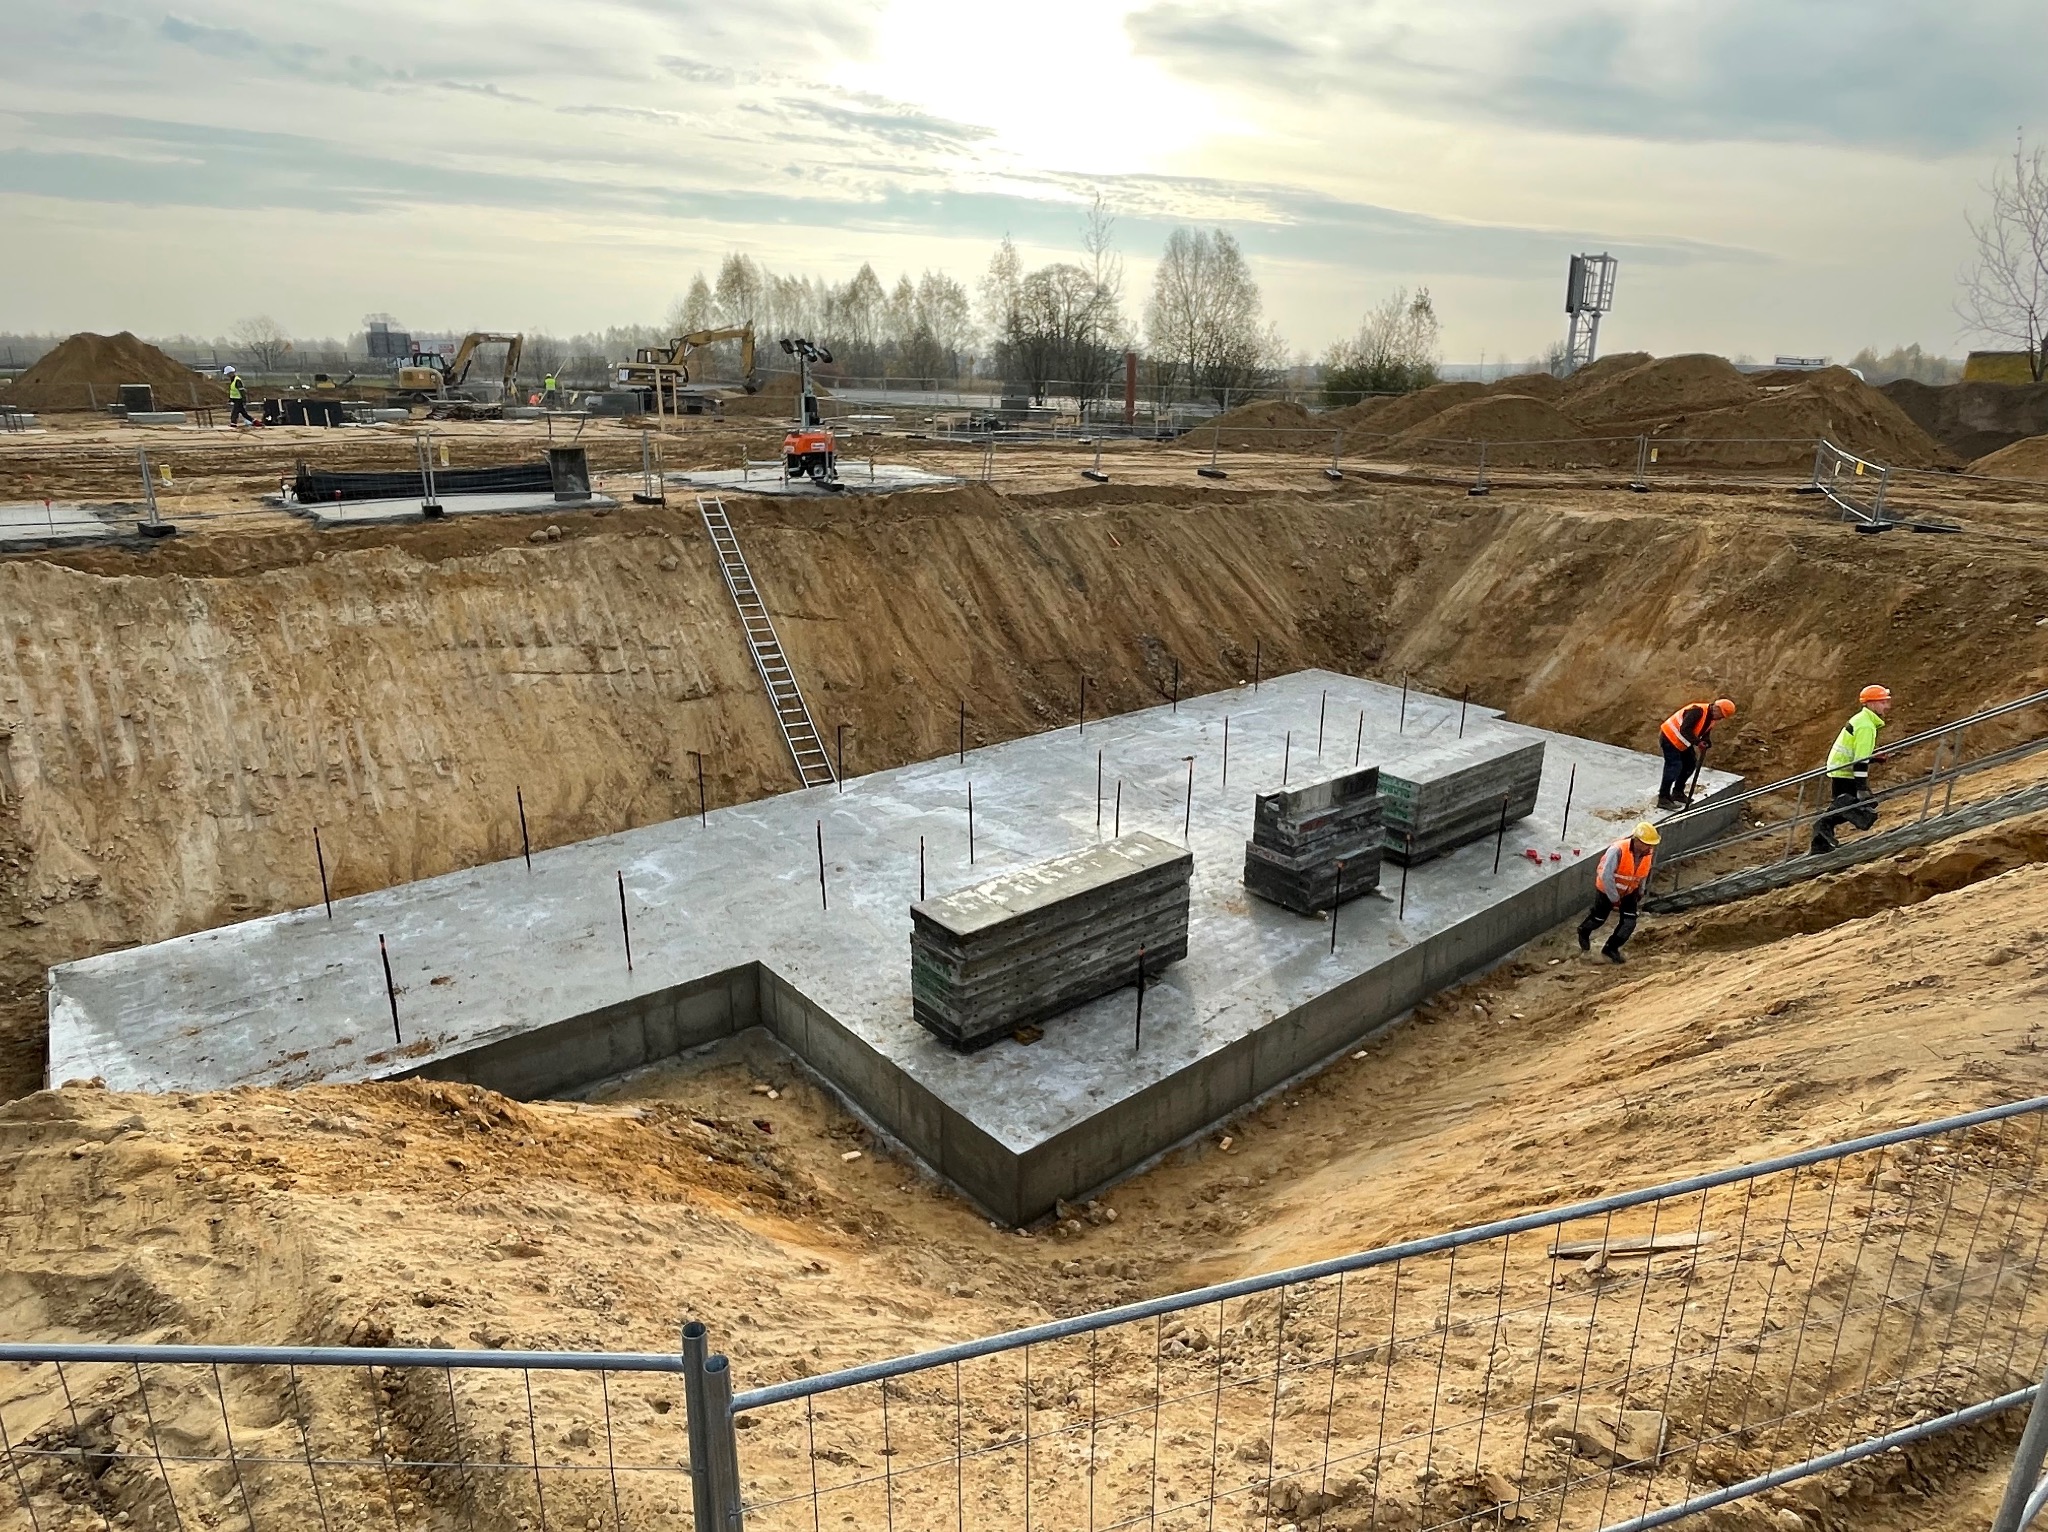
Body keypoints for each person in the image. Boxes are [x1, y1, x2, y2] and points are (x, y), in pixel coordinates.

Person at [1810, 685, 1892, 855]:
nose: (1887, 706)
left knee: (1859, 806)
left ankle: (1822, 837)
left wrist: (1874, 758)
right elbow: (1860, 761)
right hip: (1844, 771)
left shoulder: (1863, 720)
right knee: (1856, 807)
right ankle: (1821, 831)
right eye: (1883, 702)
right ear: (1872, 704)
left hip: (1842, 767)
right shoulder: (1866, 726)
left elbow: (1859, 755)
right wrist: (1861, 788)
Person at [1578, 820, 1660, 964]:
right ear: (1637, 841)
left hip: (1629, 891)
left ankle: (1611, 948)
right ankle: (1584, 930)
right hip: (1607, 890)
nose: (1650, 847)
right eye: (1647, 843)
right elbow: (1606, 875)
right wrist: (1614, 898)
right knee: (1599, 918)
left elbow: (1643, 873)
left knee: (1629, 922)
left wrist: (1640, 890)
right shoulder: (1617, 850)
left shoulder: (1647, 853)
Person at [1658, 697, 1736, 809]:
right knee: (1674, 767)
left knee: (1690, 764)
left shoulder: (1711, 718)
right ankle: (1663, 798)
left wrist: (1706, 740)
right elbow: (1685, 729)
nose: (1721, 718)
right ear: (1717, 709)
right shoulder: (1697, 711)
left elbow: (1704, 730)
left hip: (1682, 741)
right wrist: (1698, 742)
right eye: (1721, 715)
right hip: (1669, 737)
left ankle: (1677, 792)